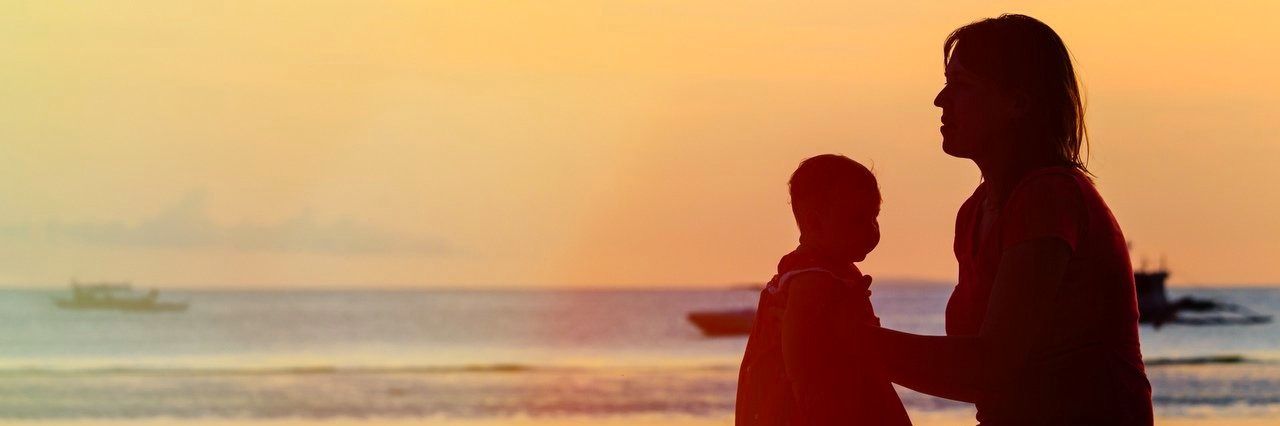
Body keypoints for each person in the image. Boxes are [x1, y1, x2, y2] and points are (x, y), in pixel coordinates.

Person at [849, 14, 1153, 425]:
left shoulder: (1049, 197)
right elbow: (977, 381)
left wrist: (847, 337)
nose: (940, 100)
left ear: (1017, 104)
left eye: (961, 86)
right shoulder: (974, 213)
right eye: (946, 83)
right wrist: (852, 336)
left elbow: (991, 365)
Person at [736, 154, 910, 426]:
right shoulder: (812, 279)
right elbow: (798, 358)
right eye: (858, 219)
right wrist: (817, 410)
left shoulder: (829, 271)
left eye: (874, 217)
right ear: (815, 223)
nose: (871, 230)